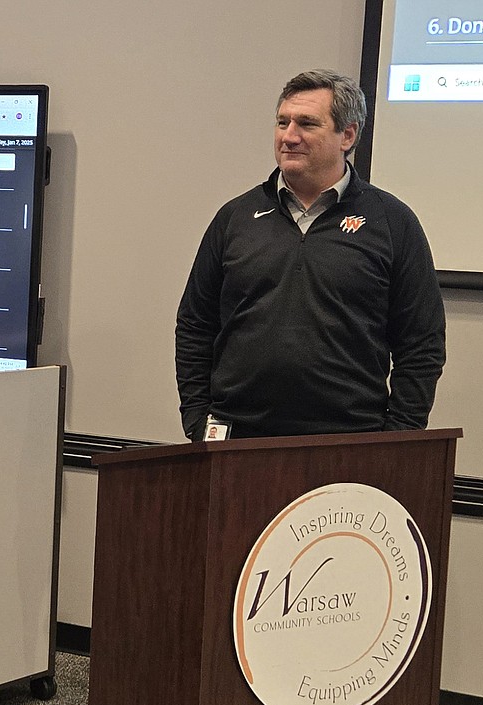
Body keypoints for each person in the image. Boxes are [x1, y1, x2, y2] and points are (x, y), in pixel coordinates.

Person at [175, 68, 446, 440]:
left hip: (348, 439)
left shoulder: (392, 221)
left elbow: (421, 343)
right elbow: (195, 325)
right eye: (282, 122)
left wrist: (395, 438)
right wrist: (197, 418)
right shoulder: (235, 217)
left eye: (307, 123)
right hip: (236, 437)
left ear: (347, 135)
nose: (289, 136)